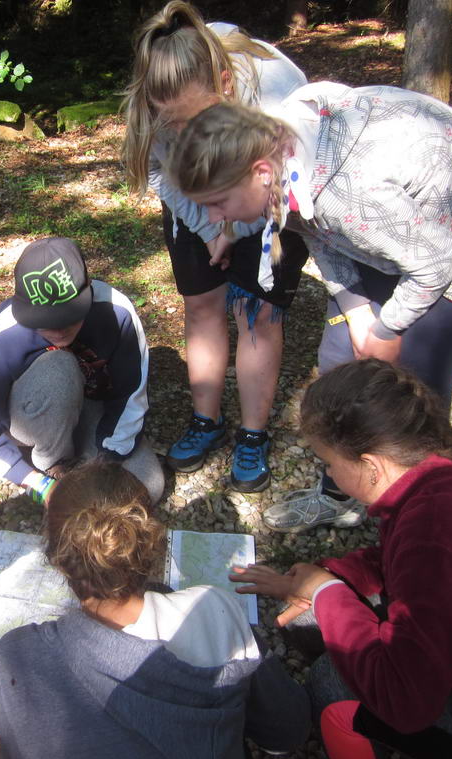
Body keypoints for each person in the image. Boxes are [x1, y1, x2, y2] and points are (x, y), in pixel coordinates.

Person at [167, 84, 452, 531]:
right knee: (339, 364)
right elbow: (320, 236)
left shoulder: (349, 195)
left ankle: (422, 514)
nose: (217, 220)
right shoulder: (282, 172)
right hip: (390, 226)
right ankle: (340, 495)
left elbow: (434, 265)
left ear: (261, 172)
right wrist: (355, 311)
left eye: (219, 203)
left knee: (416, 390)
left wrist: (387, 330)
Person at [229, 360, 452, 759]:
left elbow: (406, 701)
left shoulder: (437, 535)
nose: (328, 473)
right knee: (309, 617)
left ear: (372, 466)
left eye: (328, 463)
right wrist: (328, 577)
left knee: (333, 685)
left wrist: (326, 591)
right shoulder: (444, 477)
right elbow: (395, 564)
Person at [0, 461, 310, 759]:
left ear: (56, 558)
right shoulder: (216, 611)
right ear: (151, 543)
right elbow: (286, 733)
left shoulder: (16, 657)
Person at [122, 1, 309, 491]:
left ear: (226, 85)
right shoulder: (156, 99)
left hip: (268, 197)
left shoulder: (274, 94)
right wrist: (207, 227)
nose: (185, 136)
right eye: (173, 125)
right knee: (202, 304)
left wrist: (235, 230)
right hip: (193, 202)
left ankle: (253, 433)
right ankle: (207, 420)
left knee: (256, 312)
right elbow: (161, 172)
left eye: (195, 120)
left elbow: (285, 188)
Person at [0, 236, 163, 504]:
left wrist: (107, 462)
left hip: (92, 410)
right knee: (60, 367)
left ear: (89, 288)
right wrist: (36, 483)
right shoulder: (5, 331)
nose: (58, 331)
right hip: (32, 414)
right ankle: (52, 463)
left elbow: (131, 396)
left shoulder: (118, 312)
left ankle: (78, 466)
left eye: (69, 318)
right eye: (44, 322)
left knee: (148, 487)